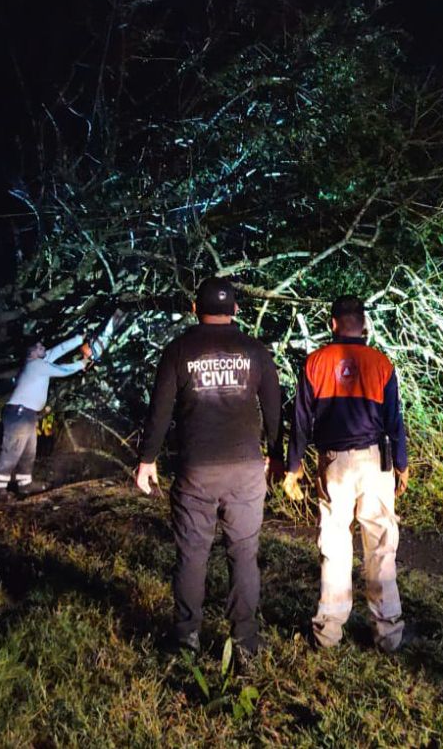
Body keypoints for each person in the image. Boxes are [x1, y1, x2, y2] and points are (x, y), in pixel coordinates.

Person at [134, 277, 283, 663]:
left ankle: (186, 640)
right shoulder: (255, 350)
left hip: (197, 469)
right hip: (246, 470)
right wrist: (278, 454)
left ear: (194, 309)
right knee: (244, 554)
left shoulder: (179, 350)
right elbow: (273, 408)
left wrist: (146, 459)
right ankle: (246, 643)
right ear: (235, 310)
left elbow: (160, 411)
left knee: (192, 555)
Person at [282, 295, 409, 653]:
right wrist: (401, 463)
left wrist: (293, 468)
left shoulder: (315, 363)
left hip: (334, 462)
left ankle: (328, 634)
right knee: (381, 547)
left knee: (335, 545)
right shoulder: (381, 363)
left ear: (333, 323)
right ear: (364, 324)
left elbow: (301, 423)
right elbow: (395, 421)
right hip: (375, 462)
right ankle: (388, 634)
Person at [0, 333, 94, 498]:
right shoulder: (36, 365)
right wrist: (81, 363)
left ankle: (25, 485)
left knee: (28, 452)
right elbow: (61, 370)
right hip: (19, 413)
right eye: (40, 347)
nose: (44, 348)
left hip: (27, 414)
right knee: (12, 451)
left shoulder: (40, 361)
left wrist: (79, 339)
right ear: (32, 353)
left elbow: (59, 349)